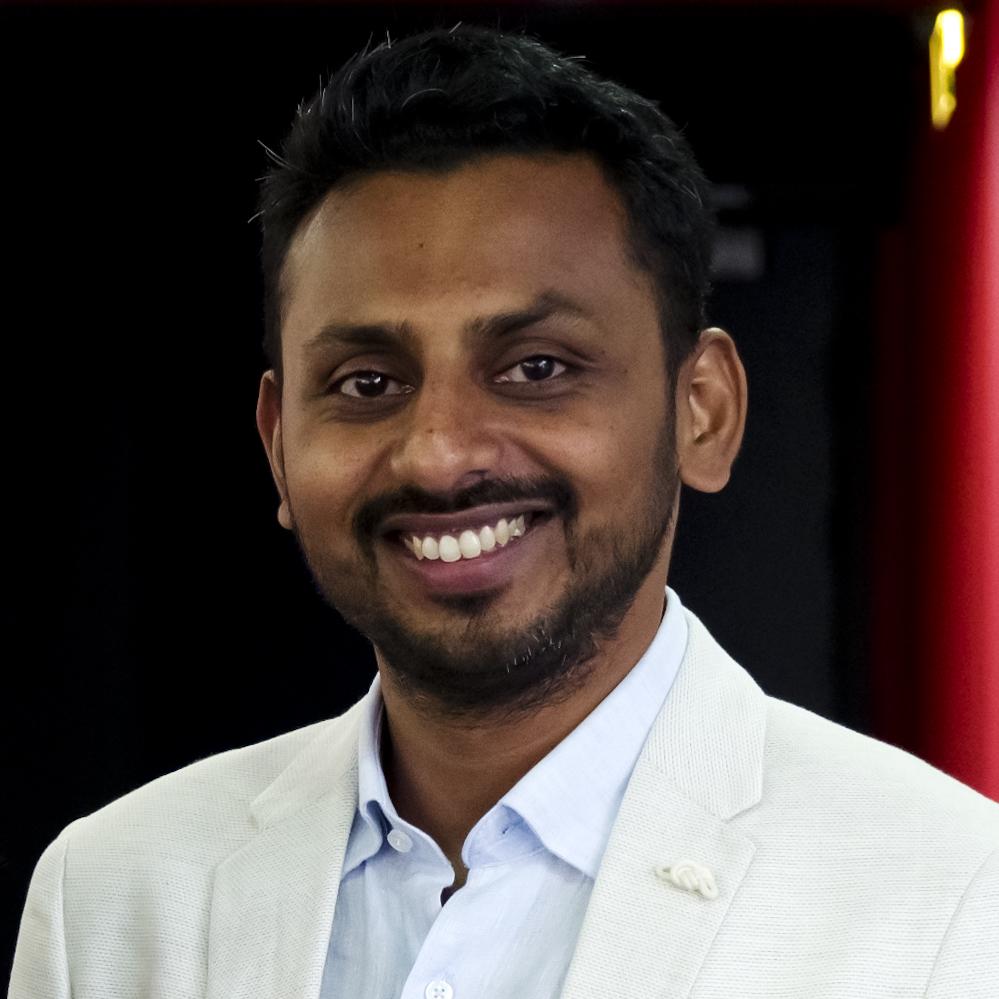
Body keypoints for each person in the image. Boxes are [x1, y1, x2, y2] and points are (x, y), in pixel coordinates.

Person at [9, 24, 998, 999]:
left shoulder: (947, 901)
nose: (439, 455)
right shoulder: (115, 896)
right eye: (365, 383)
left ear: (703, 411)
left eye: (536, 369)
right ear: (277, 442)